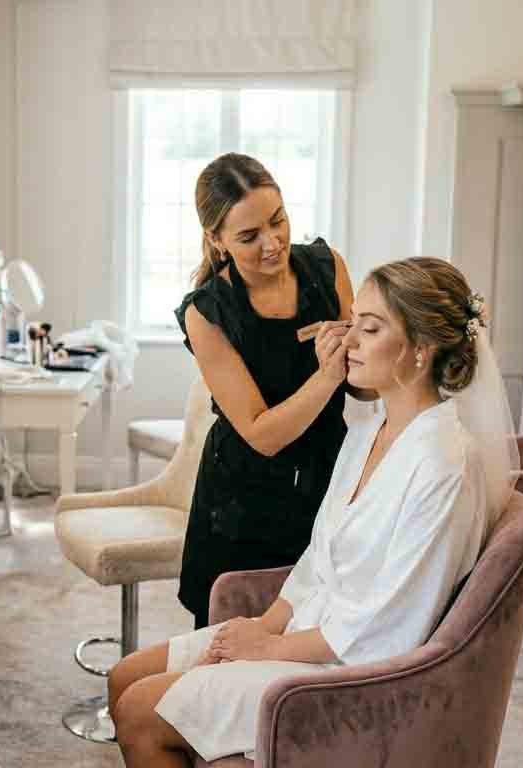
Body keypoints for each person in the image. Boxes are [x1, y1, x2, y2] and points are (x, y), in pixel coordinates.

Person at [109, 257, 519, 766]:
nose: (347, 341)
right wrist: (267, 623)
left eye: (369, 329)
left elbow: (392, 628)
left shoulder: (442, 468)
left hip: (345, 677)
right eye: (352, 323)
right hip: (305, 632)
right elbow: (318, 555)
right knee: (124, 675)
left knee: (137, 710)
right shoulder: (370, 430)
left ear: (420, 350)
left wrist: (268, 649)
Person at [174, 153, 366, 628]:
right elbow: (262, 435)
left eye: (277, 220)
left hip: (327, 479)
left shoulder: (327, 267)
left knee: (315, 636)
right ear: (216, 240)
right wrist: (327, 374)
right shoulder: (208, 312)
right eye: (248, 236)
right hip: (244, 500)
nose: (273, 242)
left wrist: (363, 354)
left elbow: (362, 387)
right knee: (228, 649)